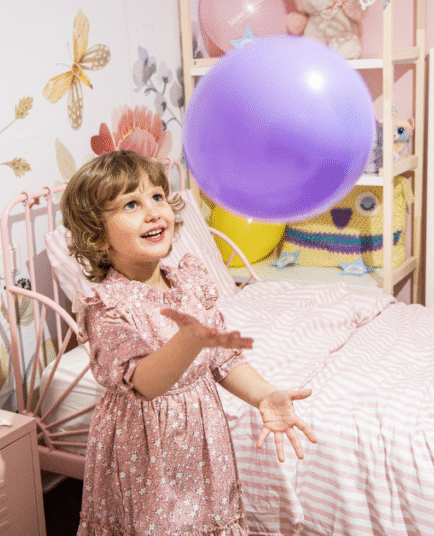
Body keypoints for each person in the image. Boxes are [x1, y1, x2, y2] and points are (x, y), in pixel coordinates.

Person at [60, 150, 317, 536]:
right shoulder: (107, 308)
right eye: (131, 204)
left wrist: (264, 395)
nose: (153, 212)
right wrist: (190, 338)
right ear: (97, 235)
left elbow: (224, 359)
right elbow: (144, 383)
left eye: (158, 197)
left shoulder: (187, 281)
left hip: (201, 443)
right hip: (146, 455)